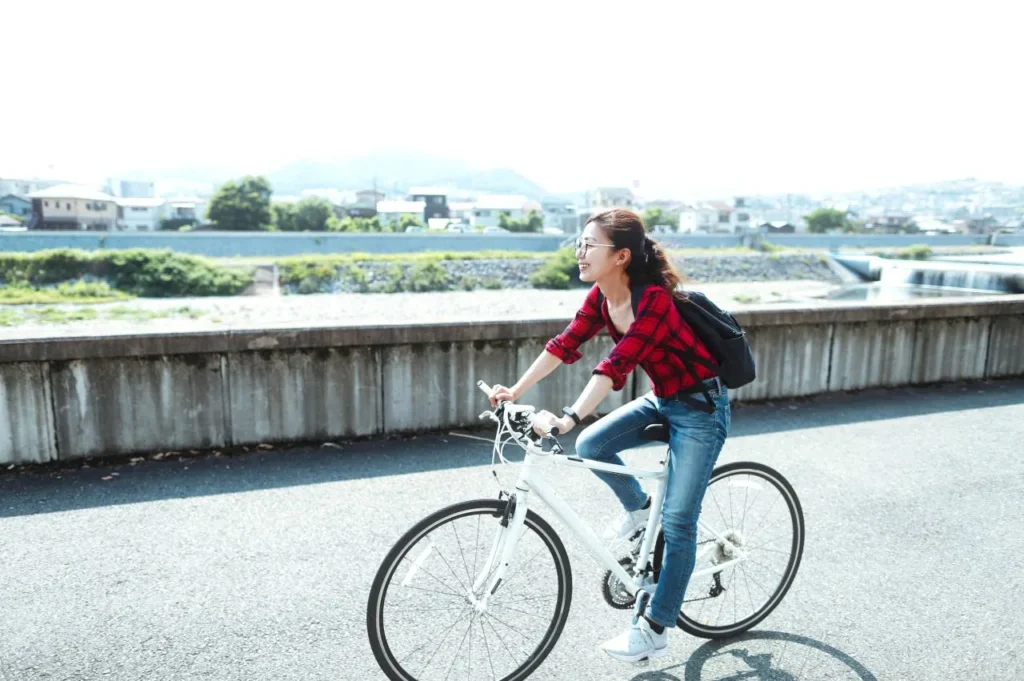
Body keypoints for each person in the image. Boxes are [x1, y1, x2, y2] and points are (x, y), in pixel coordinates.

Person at [487, 208, 731, 663]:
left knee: (679, 523)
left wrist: (567, 417)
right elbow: (564, 343)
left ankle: (655, 629)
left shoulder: (654, 301)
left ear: (621, 256)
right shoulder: (601, 297)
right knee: (591, 445)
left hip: (701, 409)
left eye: (589, 245)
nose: (579, 253)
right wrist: (515, 391)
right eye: (578, 243)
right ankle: (640, 512)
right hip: (664, 398)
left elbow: (614, 366)